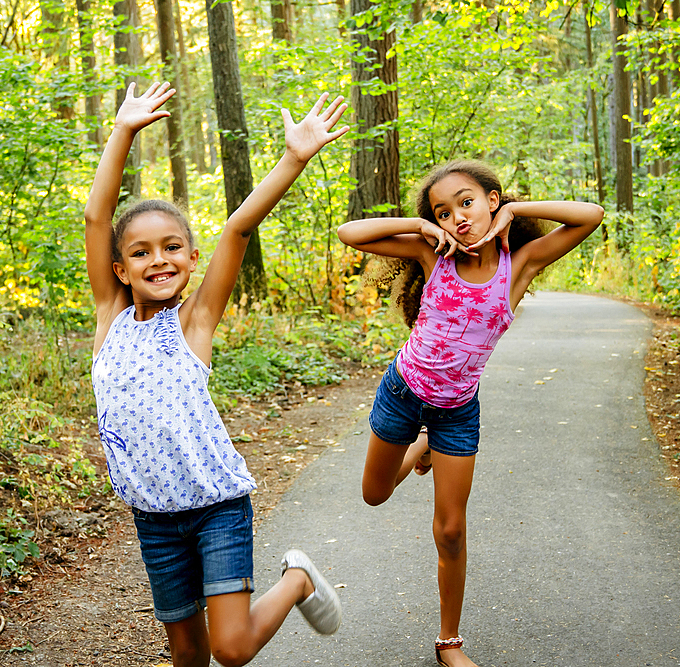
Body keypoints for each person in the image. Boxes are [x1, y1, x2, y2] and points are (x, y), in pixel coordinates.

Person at [85, 82, 349, 667]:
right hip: (153, 517)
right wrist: (123, 131)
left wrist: (292, 159)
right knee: (187, 654)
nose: (160, 260)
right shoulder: (110, 318)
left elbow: (237, 228)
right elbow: (96, 214)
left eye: (173, 246)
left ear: (190, 257)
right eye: (142, 252)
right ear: (119, 268)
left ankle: (297, 581)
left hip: (217, 507)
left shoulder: (194, 321)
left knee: (229, 649)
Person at [337, 160, 604, 667]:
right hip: (402, 392)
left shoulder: (517, 264)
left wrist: (519, 212)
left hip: (457, 413)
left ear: (492, 201)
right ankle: (420, 447)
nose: (458, 216)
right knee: (374, 495)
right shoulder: (429, 252)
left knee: (451, 530)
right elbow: (349, 232)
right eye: (443, 210)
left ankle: (449, 643)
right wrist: (418, 226)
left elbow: (589, 215)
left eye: (467, 202)